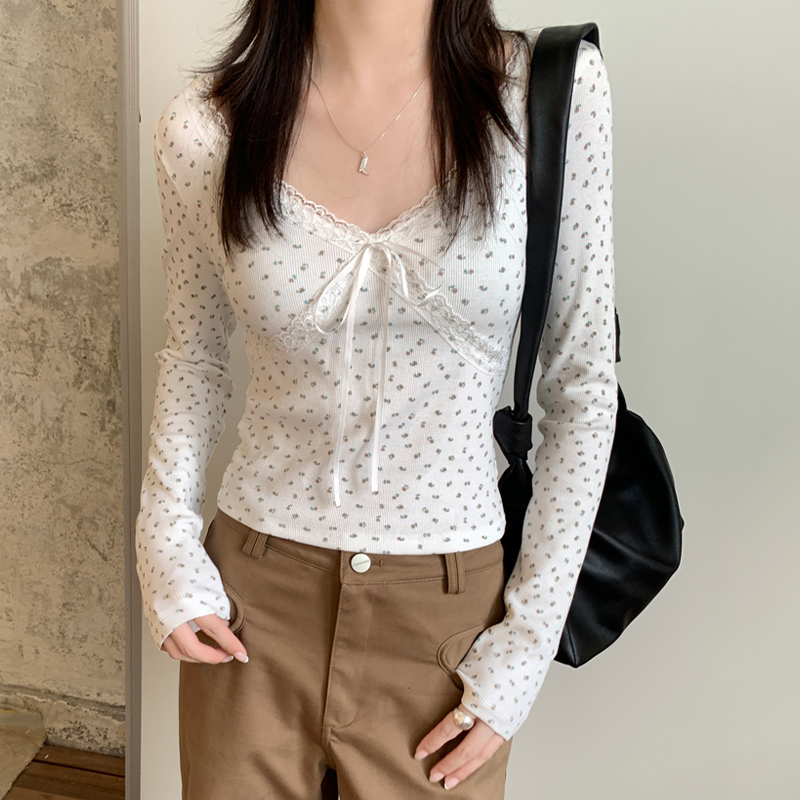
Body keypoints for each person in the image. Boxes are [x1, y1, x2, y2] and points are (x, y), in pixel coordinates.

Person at [136, 1, 618, 797]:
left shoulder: (547, 92)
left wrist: (526, 647)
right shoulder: (205, 127)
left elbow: (582, 385)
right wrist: (165, 545)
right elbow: (195, 355)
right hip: (252, 606)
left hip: (445, 621)